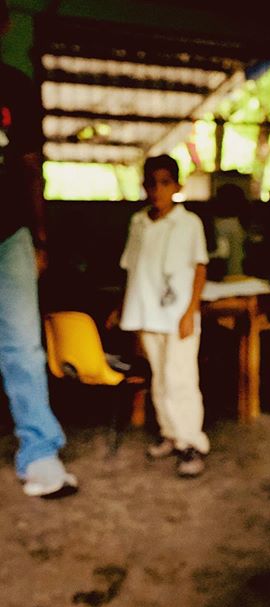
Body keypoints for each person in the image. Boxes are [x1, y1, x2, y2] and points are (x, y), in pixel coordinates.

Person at [0, 0, 77, 498]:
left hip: (10, 235)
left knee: (24, 346)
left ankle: (40, 451)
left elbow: (30, 166)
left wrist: (40, 238)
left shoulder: (15, 86)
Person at [116, 154, 210, 477]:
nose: (157, 190)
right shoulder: (138, 223)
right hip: (147, 313)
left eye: (165, 183)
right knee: (159, 377)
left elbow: (200, 268)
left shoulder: (189, 223)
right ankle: (171, 433)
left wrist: (190, 311)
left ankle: (191, 443)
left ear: (177, 186)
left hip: (179, 315)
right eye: (151, 183)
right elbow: (131, 269)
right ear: (143, 187)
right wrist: (122, 307)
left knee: (180, 377)